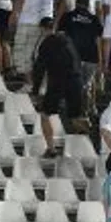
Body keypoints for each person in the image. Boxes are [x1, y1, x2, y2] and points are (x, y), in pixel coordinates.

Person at [31, 16, 86, 159]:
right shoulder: (68, 40)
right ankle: (90, 136)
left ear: (42, 29)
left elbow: (39, 69)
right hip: (76, 80)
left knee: (44, 115)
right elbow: (78, 61)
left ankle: (51, 149)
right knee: (75, 117)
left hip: (58, 82)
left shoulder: (45, 44)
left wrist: (35, 90)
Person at [11, 0, 61, 85]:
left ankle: (30, 84)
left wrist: (14, 14)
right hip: (46, 21)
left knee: (23, 54)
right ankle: (41, 86)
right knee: (42, 54)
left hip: (27, 19)